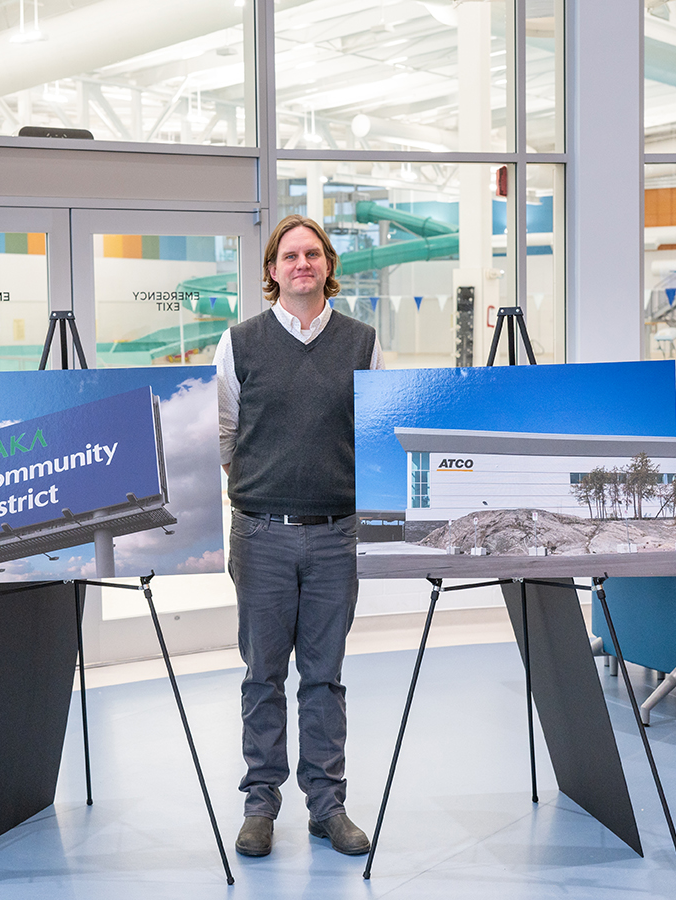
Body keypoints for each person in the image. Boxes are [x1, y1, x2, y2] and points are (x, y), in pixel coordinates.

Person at [214, 214, 382, 858]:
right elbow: (225, 435)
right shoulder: (239, 343)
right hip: (260, 535)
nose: (302, 264)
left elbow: (373, 435)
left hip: (337, 537)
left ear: (328, 265)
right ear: (272, 270)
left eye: (312, 254)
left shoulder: (363, 344)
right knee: (262, 675)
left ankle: (327, 805)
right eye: (290, 256)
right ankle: (260, 805)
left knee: (324, 677)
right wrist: (262, 487)